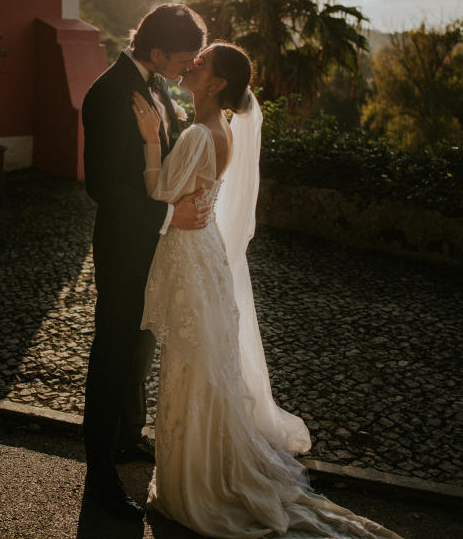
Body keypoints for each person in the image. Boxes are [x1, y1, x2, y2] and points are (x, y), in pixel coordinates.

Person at [131, 42, 403, 539]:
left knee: (192, 367)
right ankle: (198, 467)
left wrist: (151, 140)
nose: (192, 63)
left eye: (203, 62)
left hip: (192, 256)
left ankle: (194, 483)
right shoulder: (225, 130)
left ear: (215, 84)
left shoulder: (197, 134)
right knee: (204, 366)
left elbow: (159, 193)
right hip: (205, 252)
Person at [81, 3, 211, 520]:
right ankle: (98, 473)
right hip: (124, 245)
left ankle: (128, 438)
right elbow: (103, 186)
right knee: (113, 354)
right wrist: (167, 215)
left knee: (142, 346)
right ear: (156, 51)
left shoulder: (158, 85)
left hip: (159, 245)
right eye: (185, 57)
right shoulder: (107, 94)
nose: (191, 64)